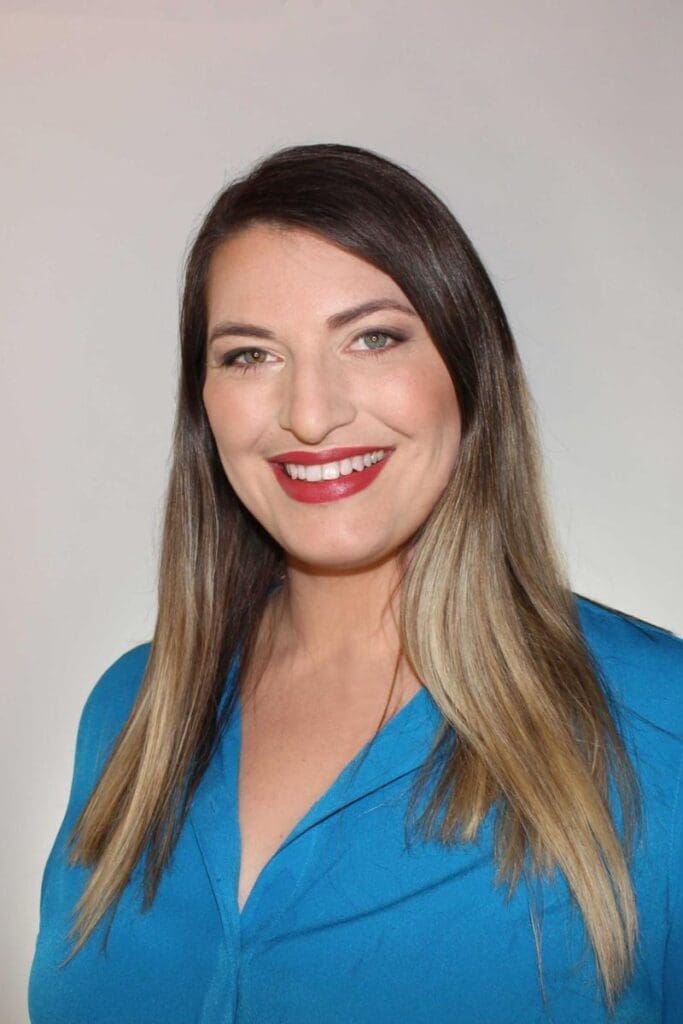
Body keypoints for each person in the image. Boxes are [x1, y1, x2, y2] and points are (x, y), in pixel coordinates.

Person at [28, 143, 682, 1024]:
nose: (309, 413)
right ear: (203, 405)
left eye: (372, 338)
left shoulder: (655, 719)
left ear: (468, 370)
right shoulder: (129, 714)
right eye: (250, 356)